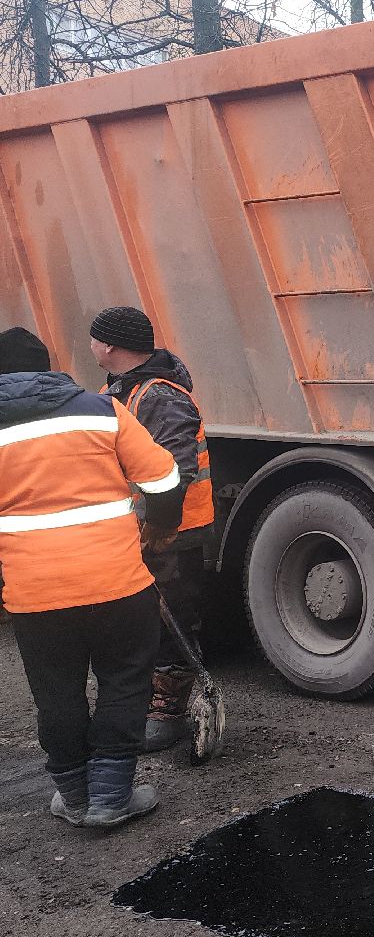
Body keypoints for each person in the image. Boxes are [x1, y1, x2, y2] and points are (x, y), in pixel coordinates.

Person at [0, 326, 184, 829]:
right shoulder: (101, 409)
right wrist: (160, 529)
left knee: (56, 693)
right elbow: (164, 476)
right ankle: (110, 797)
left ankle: (75, 797)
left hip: (35, 596)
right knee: (124, 684)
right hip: (117, 584)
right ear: (46, 365)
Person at [90, 306, 214, 753]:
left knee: (173, 617)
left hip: (174, 529)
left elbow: (175, 468)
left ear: (108, 345)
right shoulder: (121, 390)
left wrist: (161, 526)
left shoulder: (159, 395)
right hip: (141, 526)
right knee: (145, 618)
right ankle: (149, 702)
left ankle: (168, 711)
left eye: (94, 339)